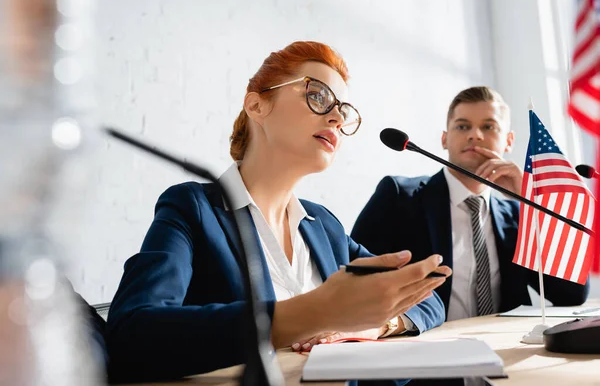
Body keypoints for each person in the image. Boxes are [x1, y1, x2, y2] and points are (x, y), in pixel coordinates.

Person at [105, 41, 451, 382]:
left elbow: (428, 298)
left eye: (343, 112)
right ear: (257, 105)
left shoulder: (324, 226)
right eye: (317, 96)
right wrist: (313, 312)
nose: (335, 117)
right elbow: (133, 332)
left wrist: (377, 323)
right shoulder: (193, 209)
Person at [351, 86, 589, 322]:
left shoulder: (519, 214)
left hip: (505, 345)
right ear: (444, 139)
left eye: (488, 126)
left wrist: (530, 203)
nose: (475, 135)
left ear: (509, 141)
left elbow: (571, 294)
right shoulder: (398, 196)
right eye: (463, 126)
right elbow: (354, 277)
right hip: (427, 346)